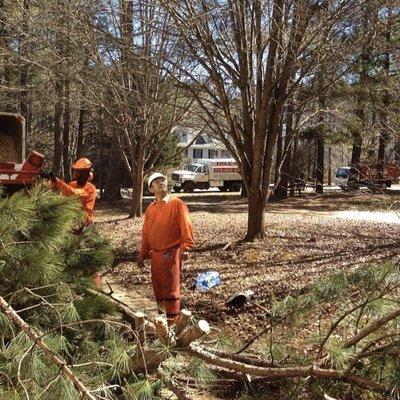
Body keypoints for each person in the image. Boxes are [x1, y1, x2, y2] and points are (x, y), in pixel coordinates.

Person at [138, 172, 194, 323]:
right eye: (156, 181)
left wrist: (186, 247)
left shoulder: (177, 203)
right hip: (155, 254)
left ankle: (173, 323)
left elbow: (186, 225)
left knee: (171, 289)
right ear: (151, 189)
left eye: (162, 179)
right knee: (159, 288)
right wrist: (143, 253)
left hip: (171, 252)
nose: (161, 182)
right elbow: (146, 233)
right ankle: (163, 323)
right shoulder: (151, 209)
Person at [42, 158, 100, 287]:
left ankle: (96, 289)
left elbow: (74, 194)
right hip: (71, 226)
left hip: (86, 227)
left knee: (91, 260)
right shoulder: (72, 184)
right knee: (68, 258)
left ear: (87, 173)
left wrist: (58, 181)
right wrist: (50, 181)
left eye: (81, 172)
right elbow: (62, 193)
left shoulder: (90, 188)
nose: (78, 175)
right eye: (76, 172)